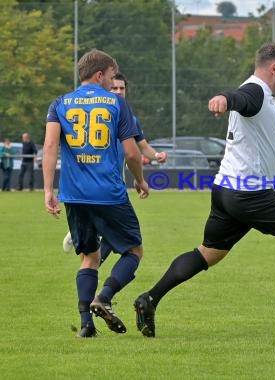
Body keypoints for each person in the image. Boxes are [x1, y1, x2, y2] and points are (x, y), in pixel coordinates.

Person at [133, 41, 275, 338]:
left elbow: (266, 145)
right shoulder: (256, 91)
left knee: (207, 254)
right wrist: (222, 99)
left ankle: (149, 298)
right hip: (250, 195)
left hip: (226, 190)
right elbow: (238, 98)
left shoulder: (262, 97)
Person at [43, 49, 150, 338]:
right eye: (112, 76)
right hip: (109, 193)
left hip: (74, 195)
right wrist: (140, 180)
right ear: (100, 74)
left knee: (89, 257)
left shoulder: (60, 103)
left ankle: (86, 326)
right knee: (133, 250)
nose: (114, 82)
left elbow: (50, 147)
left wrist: (48, 190)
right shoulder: (116, 102)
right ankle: (104, 297)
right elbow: (131, 152)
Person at [61, 72, 167, 264]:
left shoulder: (130, 118)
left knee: (111, 233)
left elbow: (142, 147)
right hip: (100, 183)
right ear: (105, 88)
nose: (118, 91)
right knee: (121, 235)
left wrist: (157, 155)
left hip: (114, 182)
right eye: (114, 88)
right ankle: (94, 261)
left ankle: (92, 259)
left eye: (122, 88)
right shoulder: (98, 113)